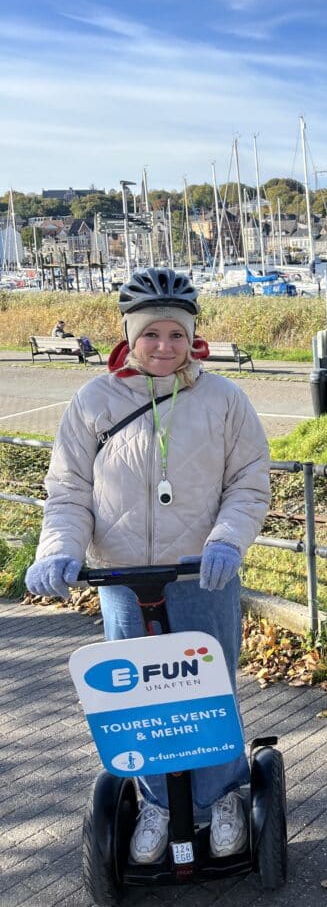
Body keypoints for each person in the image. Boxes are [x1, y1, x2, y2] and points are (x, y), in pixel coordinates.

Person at [26, 267, 270, 865]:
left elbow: (249, 484)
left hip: (201, 575)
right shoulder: (94, 401)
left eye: (177, 334)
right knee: (139, 700)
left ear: (193, 337)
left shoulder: (224, 400)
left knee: (208, 693)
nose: (164, 346)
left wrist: (227, 542)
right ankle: (157, 800)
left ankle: (219, 798)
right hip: (123, 581)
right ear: (129, 336)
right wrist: (58, 550)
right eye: (151, 334)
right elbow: (68, 490)